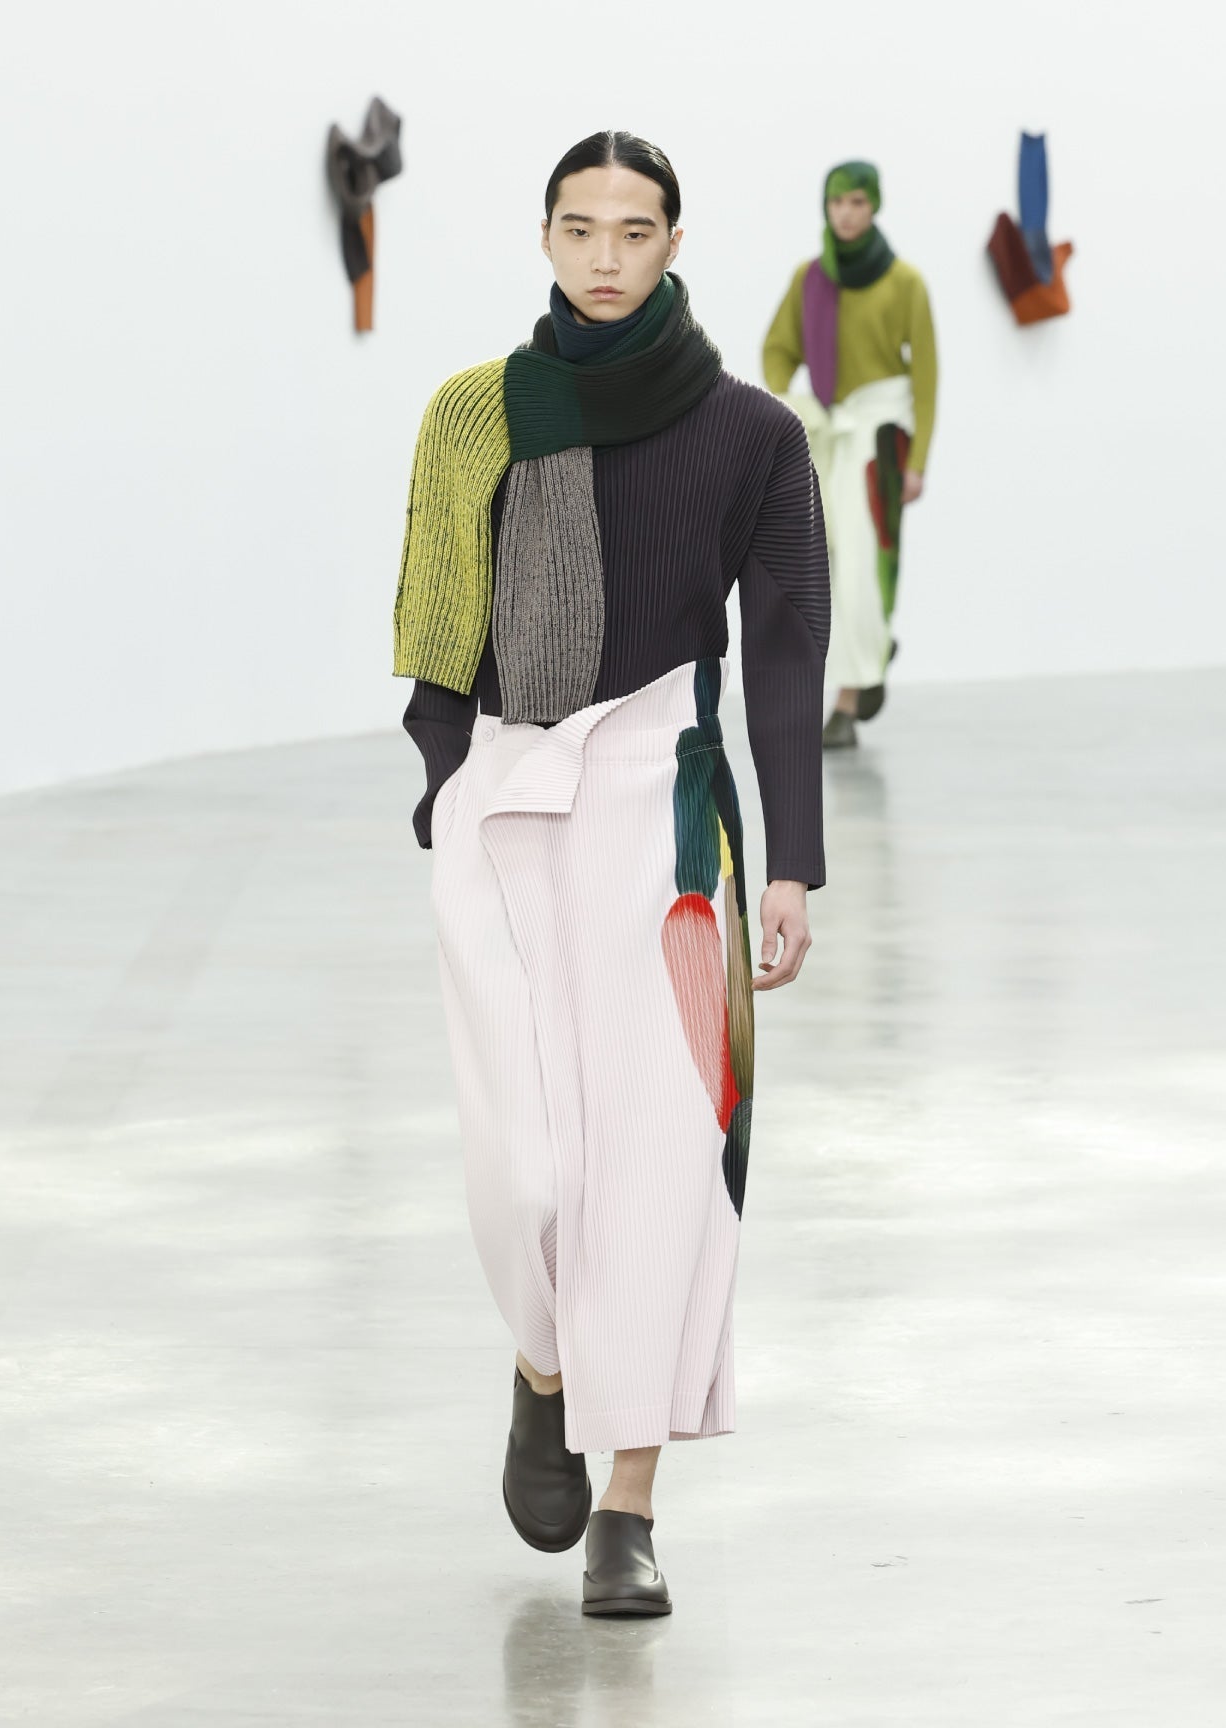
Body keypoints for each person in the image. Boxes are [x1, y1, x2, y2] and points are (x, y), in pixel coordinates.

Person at [394, 131, 829, 1616]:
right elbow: (438, 631)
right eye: (578, 228)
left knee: (663, 1162)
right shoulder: (475, 417)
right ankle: (542, 1363)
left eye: (632, 231)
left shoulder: (752, 434)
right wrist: (447, 789)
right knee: (524, 1167)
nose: (603, 256)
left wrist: (794, 866)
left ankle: (629, 1507)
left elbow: (785, 648)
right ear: (544, 238)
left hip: (670, 810)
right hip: (509, 796)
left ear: (673, 243)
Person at [763, 161, 937, 748]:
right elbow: (778, 349)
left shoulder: (905, 282)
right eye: (837, 201)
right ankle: (869, 656)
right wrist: (791, 404)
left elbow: (927, 375)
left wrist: (918, 461)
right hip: (829, 431)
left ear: (874, 206)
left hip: (880, 437)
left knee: (865, 562)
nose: (846, 212)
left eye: (857, 201)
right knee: (827, 561)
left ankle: (848, 696)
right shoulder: (810, 279)